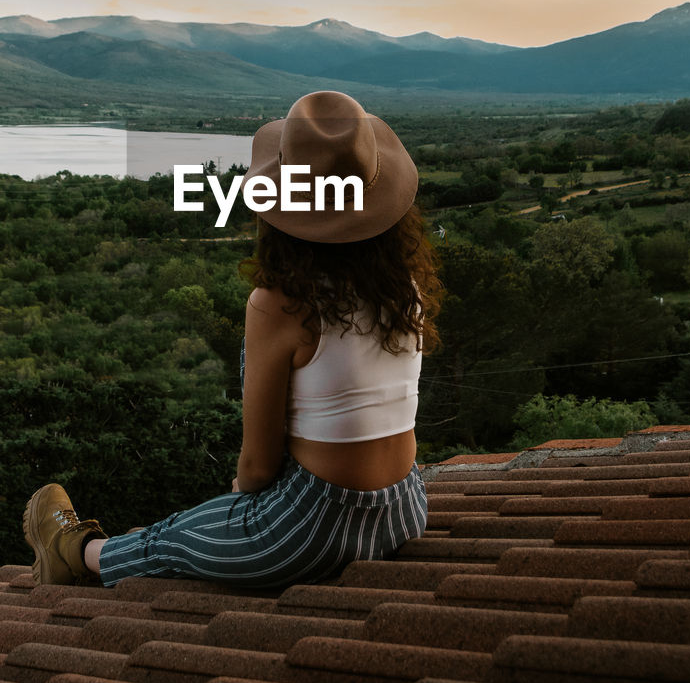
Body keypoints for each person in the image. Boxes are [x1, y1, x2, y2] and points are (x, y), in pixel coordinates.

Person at [23, 90, 442, 590]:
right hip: (403, 507)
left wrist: (239, 498)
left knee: (176, 536)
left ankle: (76, 552)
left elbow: (258, 466)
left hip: (311, 532)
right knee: (207, 524)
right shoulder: (403, 291)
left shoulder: (280, 305)